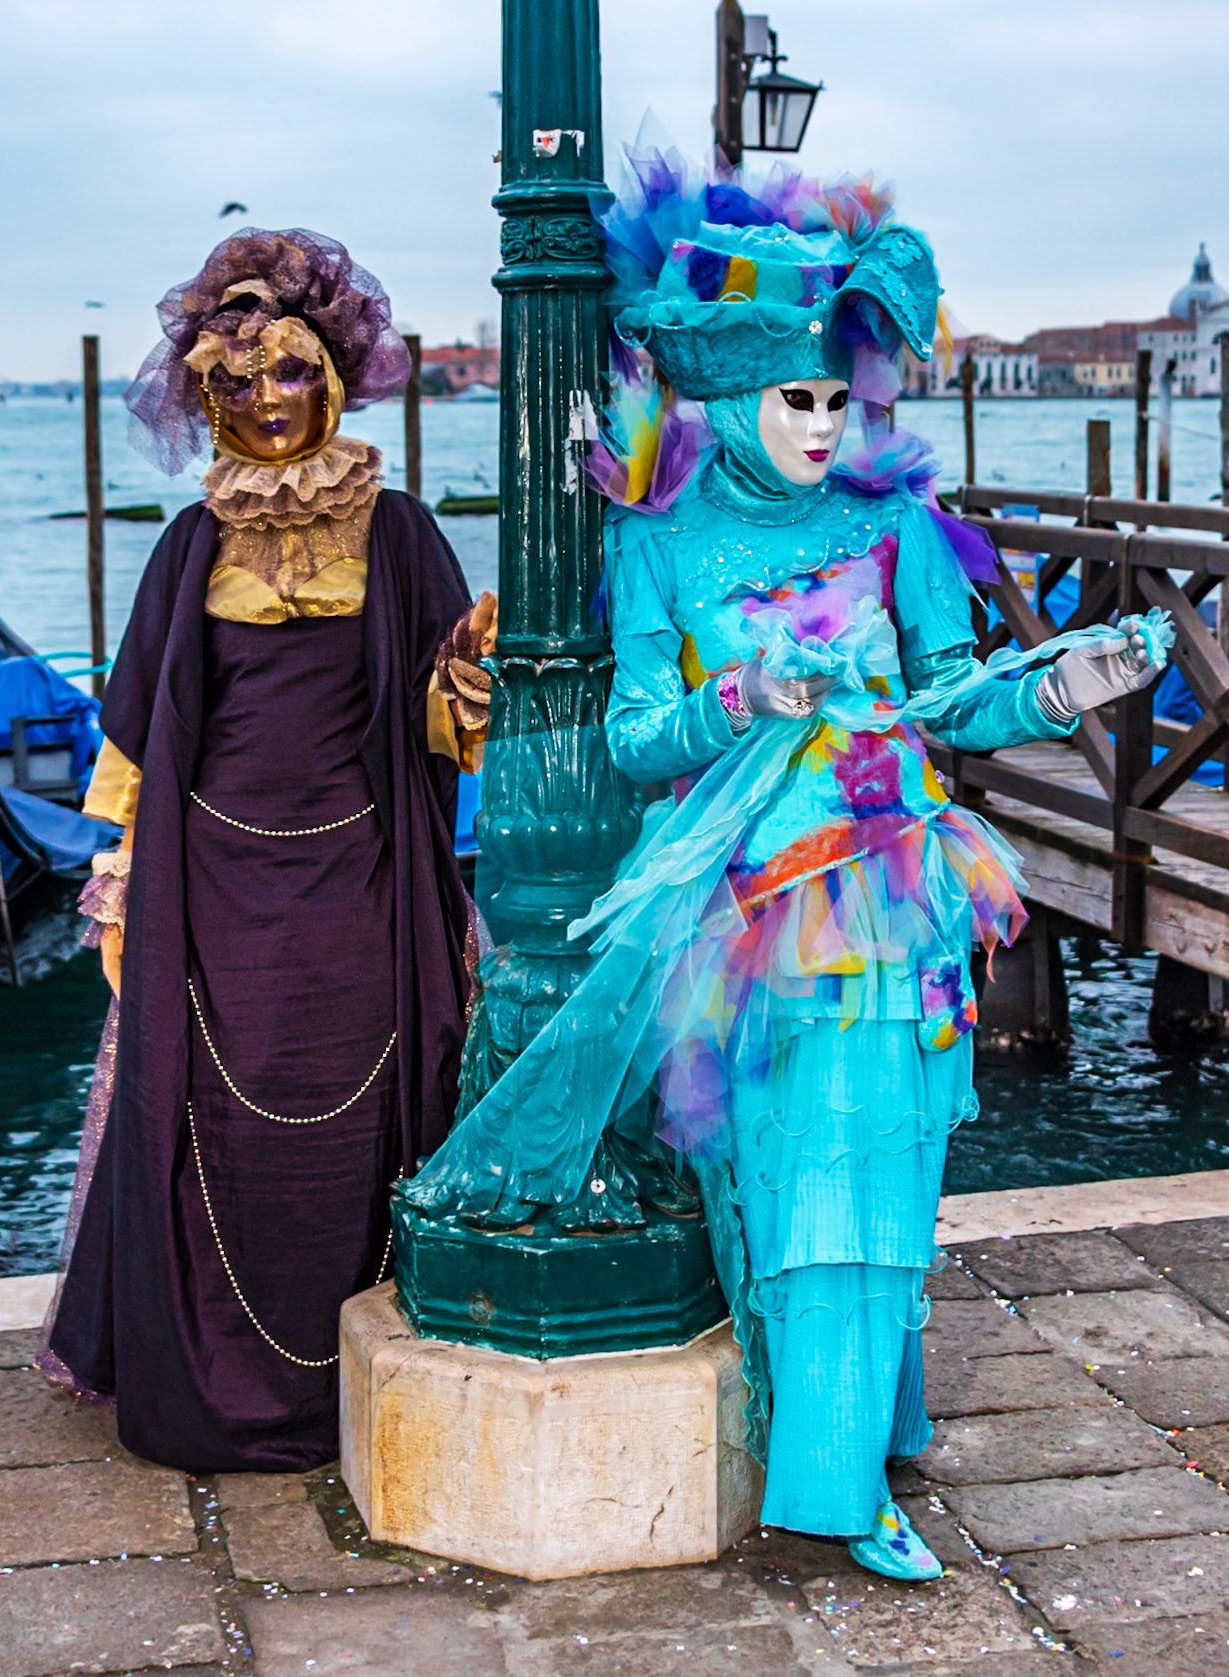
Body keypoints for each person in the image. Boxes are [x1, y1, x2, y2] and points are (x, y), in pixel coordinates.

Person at [400, 155, 1174, 1576]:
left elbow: (950, 702)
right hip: (749, 900)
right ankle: (834, 1476)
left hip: (900, 884)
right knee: (797, 1175)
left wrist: (1060, 686)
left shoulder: (893, 531)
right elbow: (633, 738)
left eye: (834, 399)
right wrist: (739, 697)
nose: (821, 425)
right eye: (794, 400)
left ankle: (866, 1436)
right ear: (730, 397)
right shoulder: (660, 548)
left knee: (882, 1160)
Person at [41, 228, 491, 1473]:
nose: (266, 403)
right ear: (206, 398)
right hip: (211, 886)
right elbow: (143, 724)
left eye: (288, 373)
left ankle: (362, 1361)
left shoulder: (396, 531)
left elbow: (441, 723)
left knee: (365, 1102)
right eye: (234, 384)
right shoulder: (192, 543)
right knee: (212, 1116)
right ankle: (216, 1378)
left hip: (363, 881)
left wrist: (465, 678)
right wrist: (122, 873)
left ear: (331, 377)